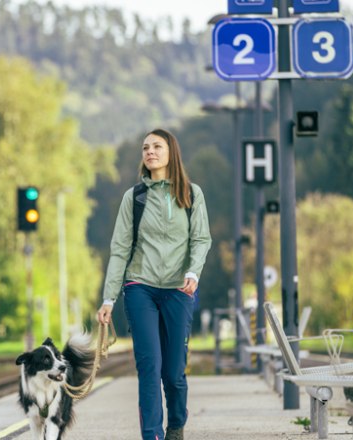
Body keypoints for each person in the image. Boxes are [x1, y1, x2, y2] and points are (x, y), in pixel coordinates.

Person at [96, 128, 211, 440]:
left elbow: (201, 239)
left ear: (171, 152)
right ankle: (152, 436)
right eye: (145, 148)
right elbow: (120, 250)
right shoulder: (134, 198)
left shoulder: (190, 193)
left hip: (178, 289)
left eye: (157, 146)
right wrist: (108, 299)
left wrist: (193, 272)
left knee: (173, 374)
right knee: (149, 368)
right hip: (140, 287)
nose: (150, 152)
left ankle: (175, 424)